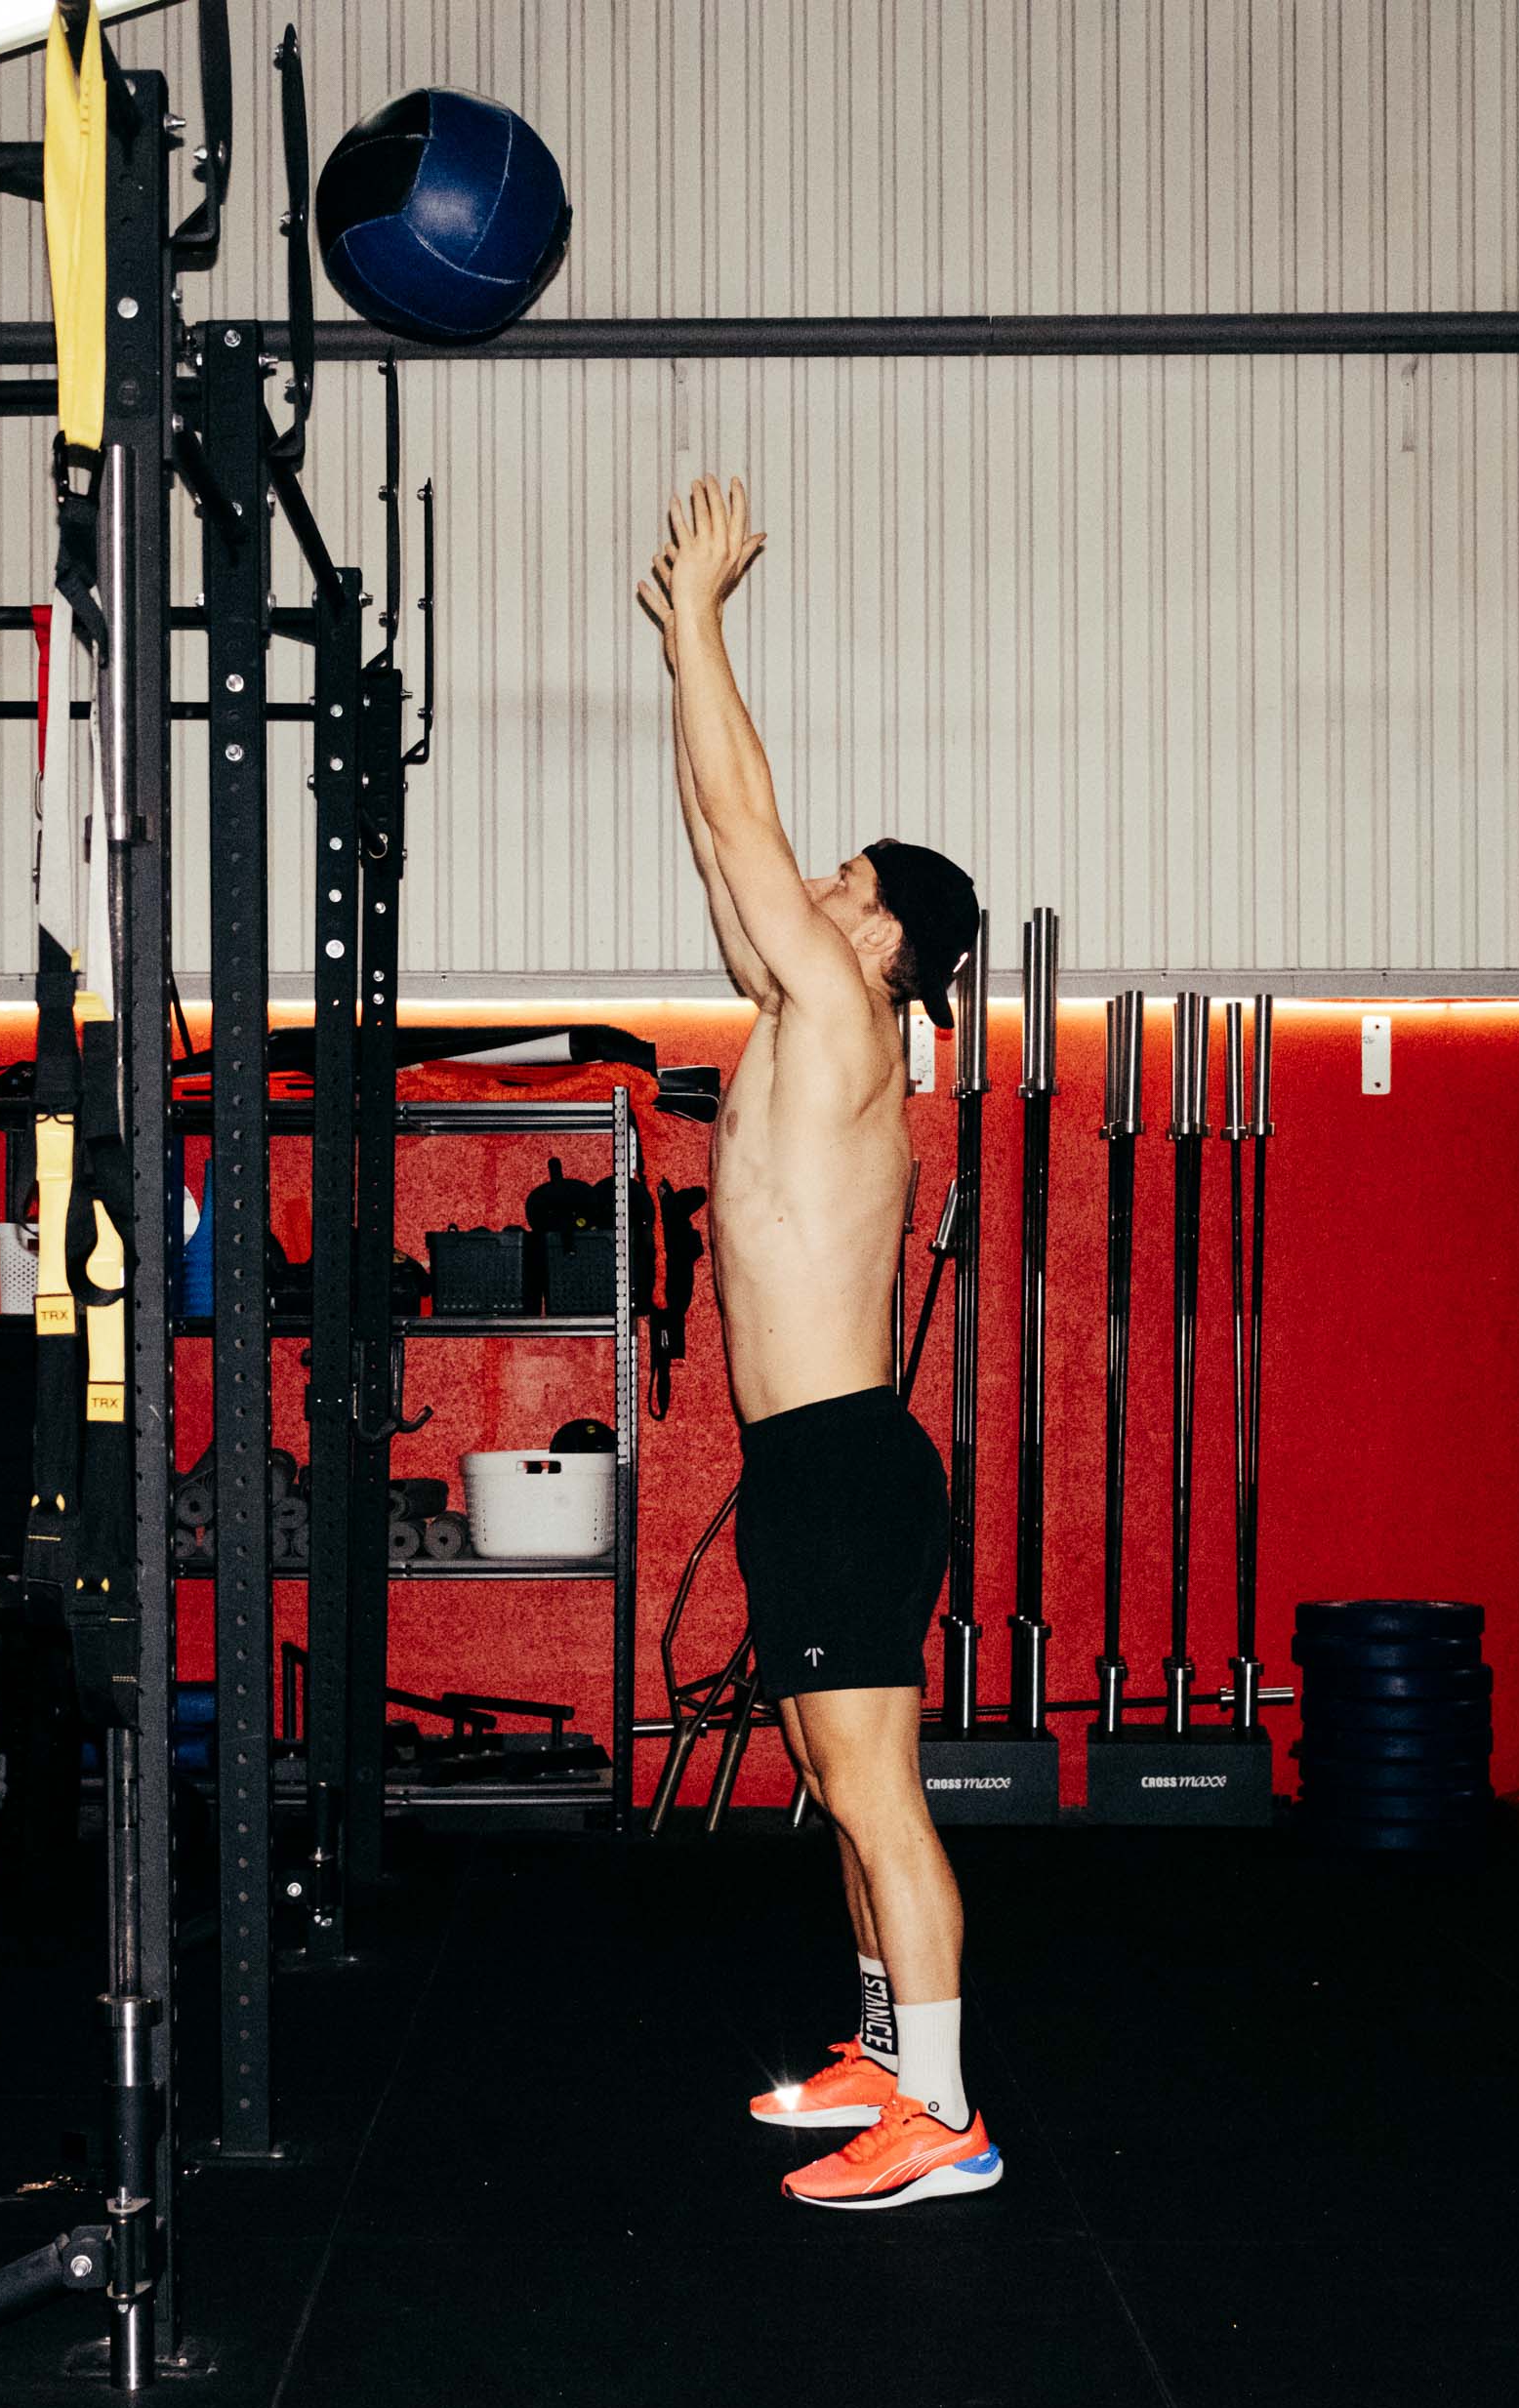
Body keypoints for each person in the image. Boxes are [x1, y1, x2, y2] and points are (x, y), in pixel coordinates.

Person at [636, 477, 997, 2210]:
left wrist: (706, 623)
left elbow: (744, 815)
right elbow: (726, 846)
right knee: (832, 1781)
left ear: (885, 938)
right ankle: (879, 2049)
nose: (811, 884)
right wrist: (680, 661)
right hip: (811, 1465)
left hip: (845, 1465)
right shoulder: (804, 1003)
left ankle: (946, 2118)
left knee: (876, 1790)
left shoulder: (848, 1008)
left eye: (844, 881)